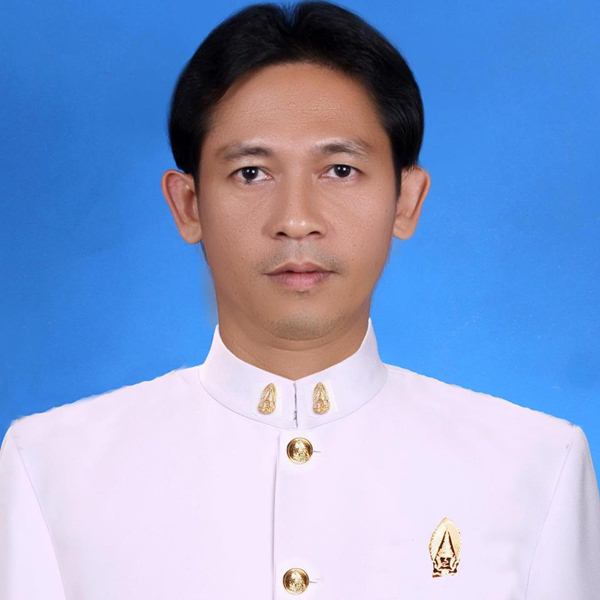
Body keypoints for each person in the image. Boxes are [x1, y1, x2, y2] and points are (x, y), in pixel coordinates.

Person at [1, 1, 599, 598]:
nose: (296, 219)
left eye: (339, 170)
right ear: (188, 205)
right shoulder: (51, 470)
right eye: (251, 173)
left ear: (406, 200)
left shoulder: (535, 468)